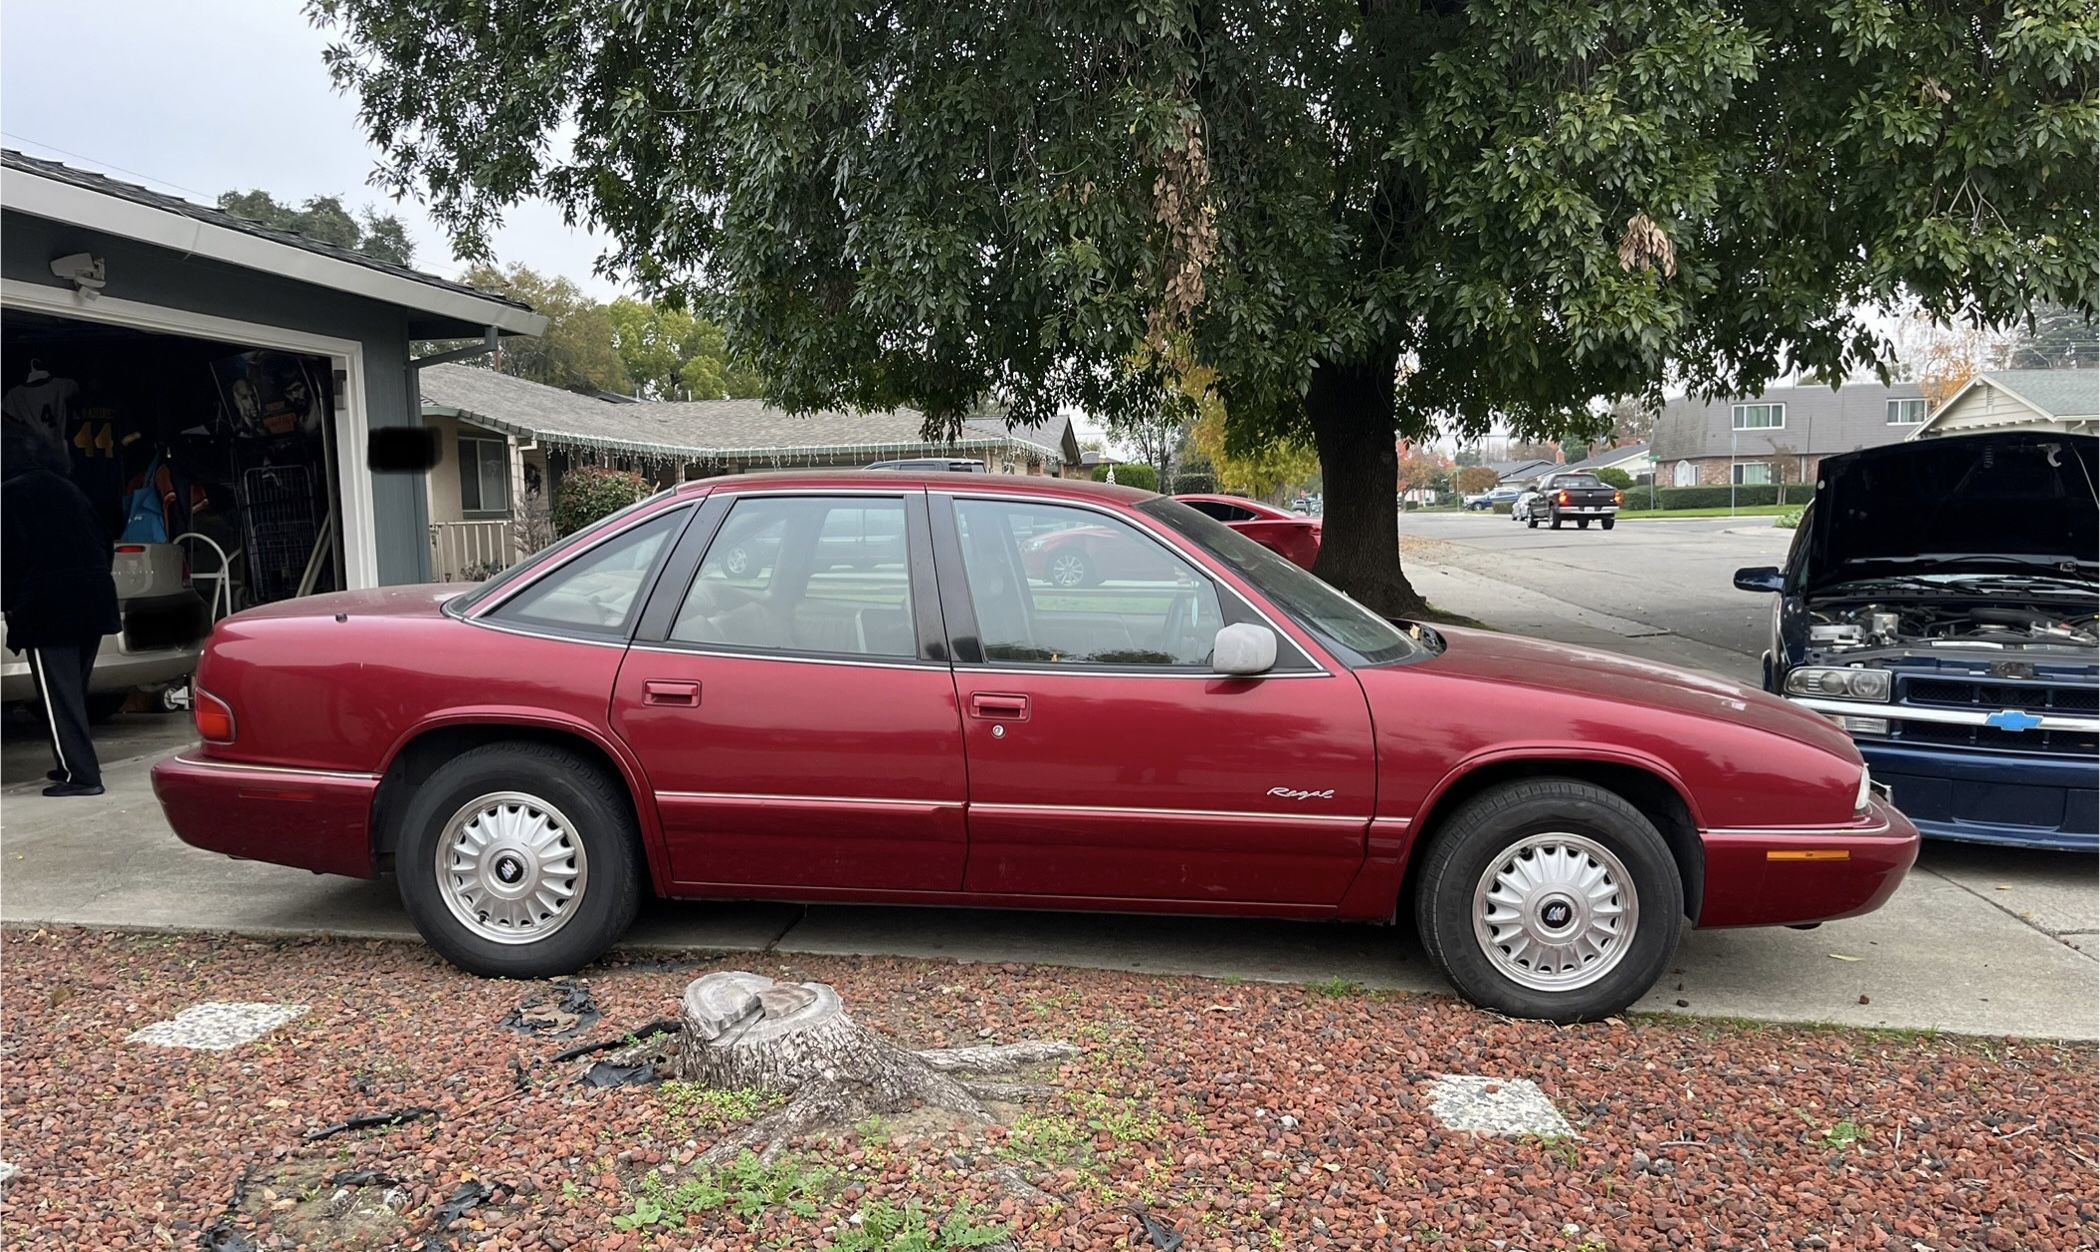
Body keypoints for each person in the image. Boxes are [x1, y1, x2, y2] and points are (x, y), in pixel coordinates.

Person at [3, 419, 120, 796]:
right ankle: (69, 763)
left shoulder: (9, 495)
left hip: (48, 606)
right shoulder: (68, 489)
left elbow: (8, 559)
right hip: (94, 599)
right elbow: (104, 541)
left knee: (58, 697)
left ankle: (82, 776)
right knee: (71, 694)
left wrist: (11, 608)